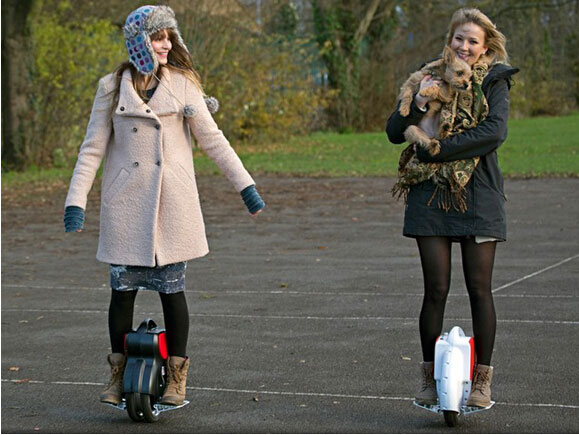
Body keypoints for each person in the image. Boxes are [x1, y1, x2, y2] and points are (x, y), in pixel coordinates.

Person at [63, 5, 265, 407]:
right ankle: (118, 374)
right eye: (158, 37)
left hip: (172, 207)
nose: (166, 44)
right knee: (121, 293)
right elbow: (92, 149)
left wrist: (246, 186)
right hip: (126, 207)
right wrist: (75, 201)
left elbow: (214, 140)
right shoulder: (111, 86)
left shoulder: (183, 84)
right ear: (139, 42)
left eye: (169, 37)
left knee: (174, 293)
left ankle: (177, 377)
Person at [386, 8, 518, 408]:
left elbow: (493, 133)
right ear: (450, 40)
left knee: (480, 289)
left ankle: (482, 383)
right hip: (429, 195)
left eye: (473, 41)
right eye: (459, 38)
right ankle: (428, 380)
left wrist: (438, 150)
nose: (464, 46)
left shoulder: (495, 80)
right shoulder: (428, 75)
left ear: (485, 47)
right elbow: (395, 132)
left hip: (479, 194)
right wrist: (422, 104)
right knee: (435, 290)